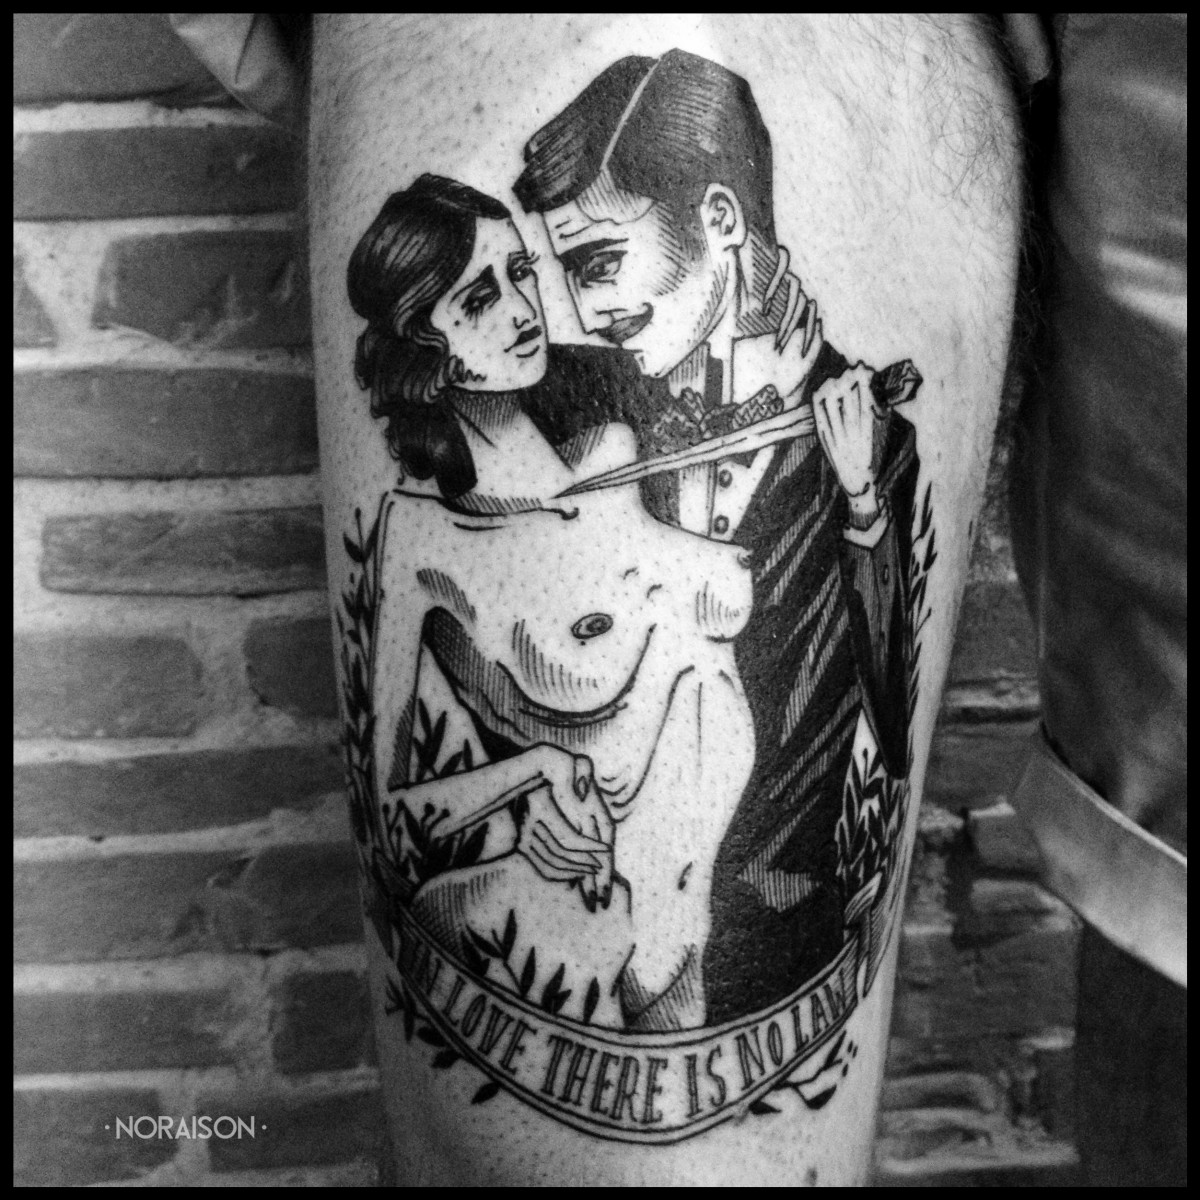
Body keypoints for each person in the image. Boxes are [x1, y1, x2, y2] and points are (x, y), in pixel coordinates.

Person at [512, 48, 921, 1022]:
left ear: (722, 220)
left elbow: (890, 705)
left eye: (600, 263)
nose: (588, 310)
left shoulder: (865, 435)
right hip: (607, 915)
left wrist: (863, 502)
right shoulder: (607, 396)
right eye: (567, 275)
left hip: (774, 927)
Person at [347, 173, 758, 1032]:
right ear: (426, 342)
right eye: (479, 299)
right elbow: (391, 815)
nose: (521, 308)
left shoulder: (615, 448)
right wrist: (527, 776)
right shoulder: (428, 541)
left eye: (521, 273)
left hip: (697, 881)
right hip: (569, 893)